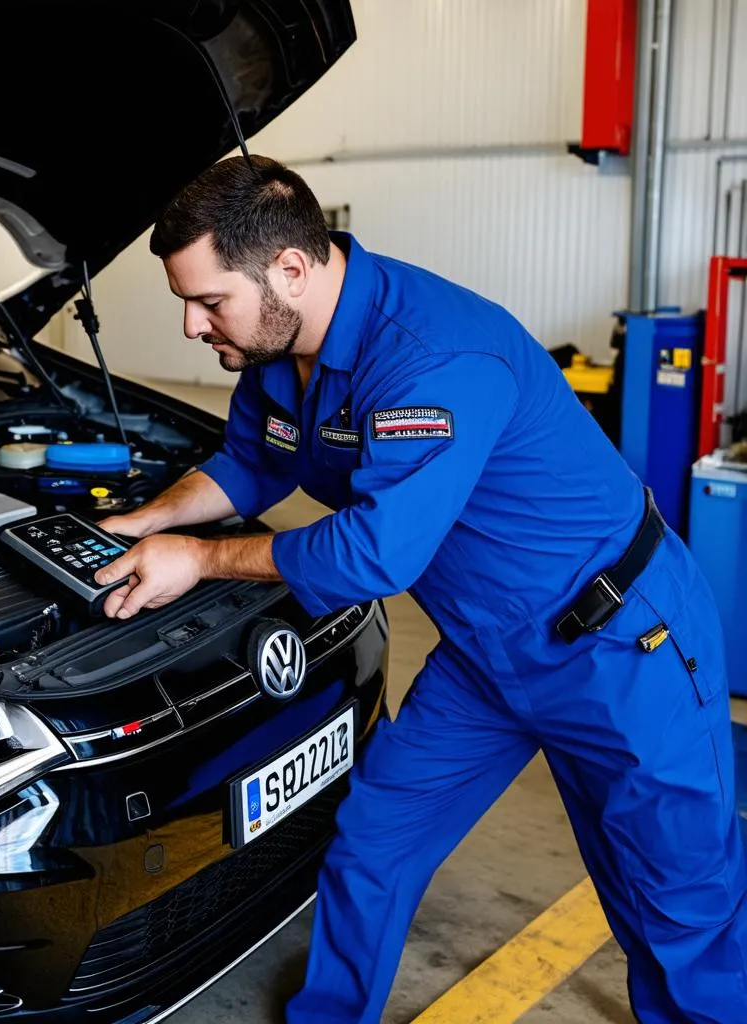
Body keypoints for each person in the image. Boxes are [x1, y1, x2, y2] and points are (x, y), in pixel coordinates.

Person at [92, 154, 747, 1023]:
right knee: (373, 844)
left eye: (209, 301)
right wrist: (149, 525)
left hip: (623, 645)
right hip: (486, 654)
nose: (190, 326)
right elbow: (252, 460)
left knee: (674, 903)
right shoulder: (279, 348)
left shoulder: (432, 355)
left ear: (289, 268)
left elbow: (375, 556)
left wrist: (201, 560)